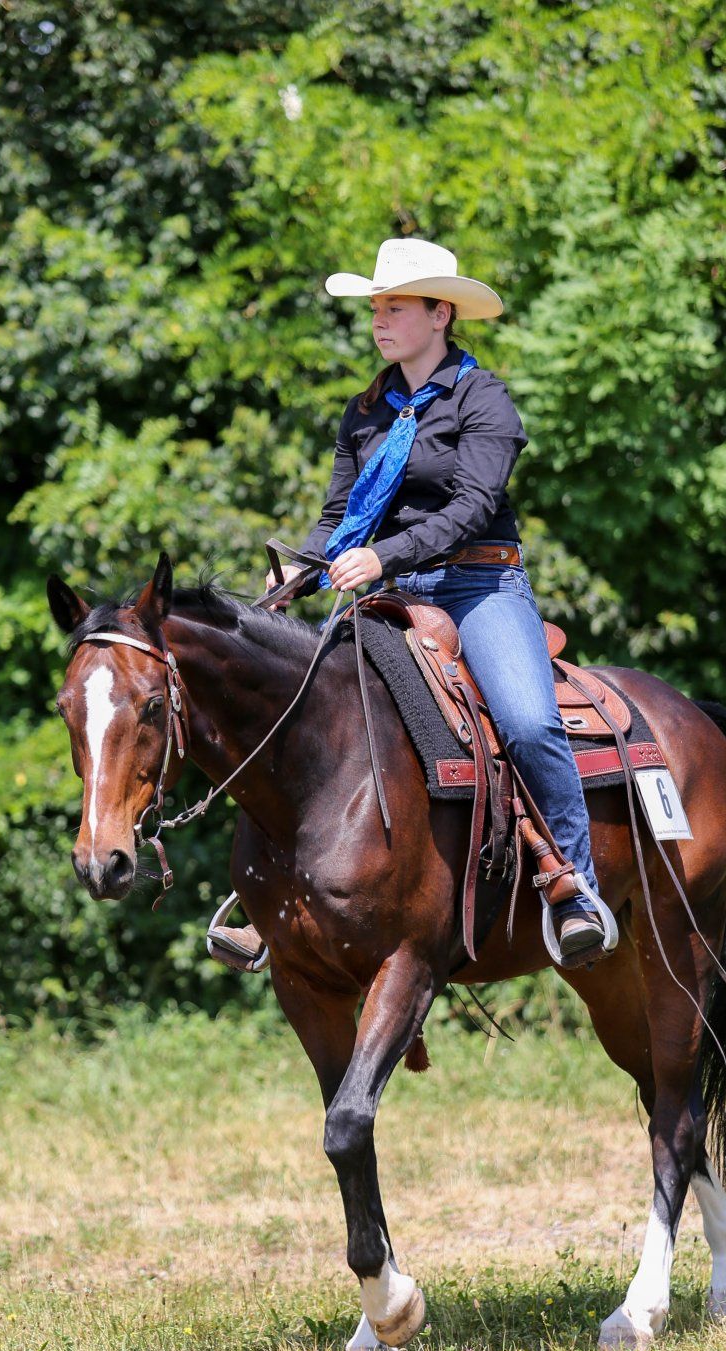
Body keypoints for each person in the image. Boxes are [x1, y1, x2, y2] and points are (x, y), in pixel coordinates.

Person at [210, 236, 607, 967]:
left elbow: (471, 506)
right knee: (294, 711)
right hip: (389, 590)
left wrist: (382, 555)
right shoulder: (365, 409)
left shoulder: (482, 399)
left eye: (395, 306)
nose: (379, 319)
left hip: (477, 584)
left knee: (524, 720)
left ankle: (574, 885)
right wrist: (297, 571)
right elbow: (335, 517)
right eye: (376, 307)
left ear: (440, 314)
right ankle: (267, 892)